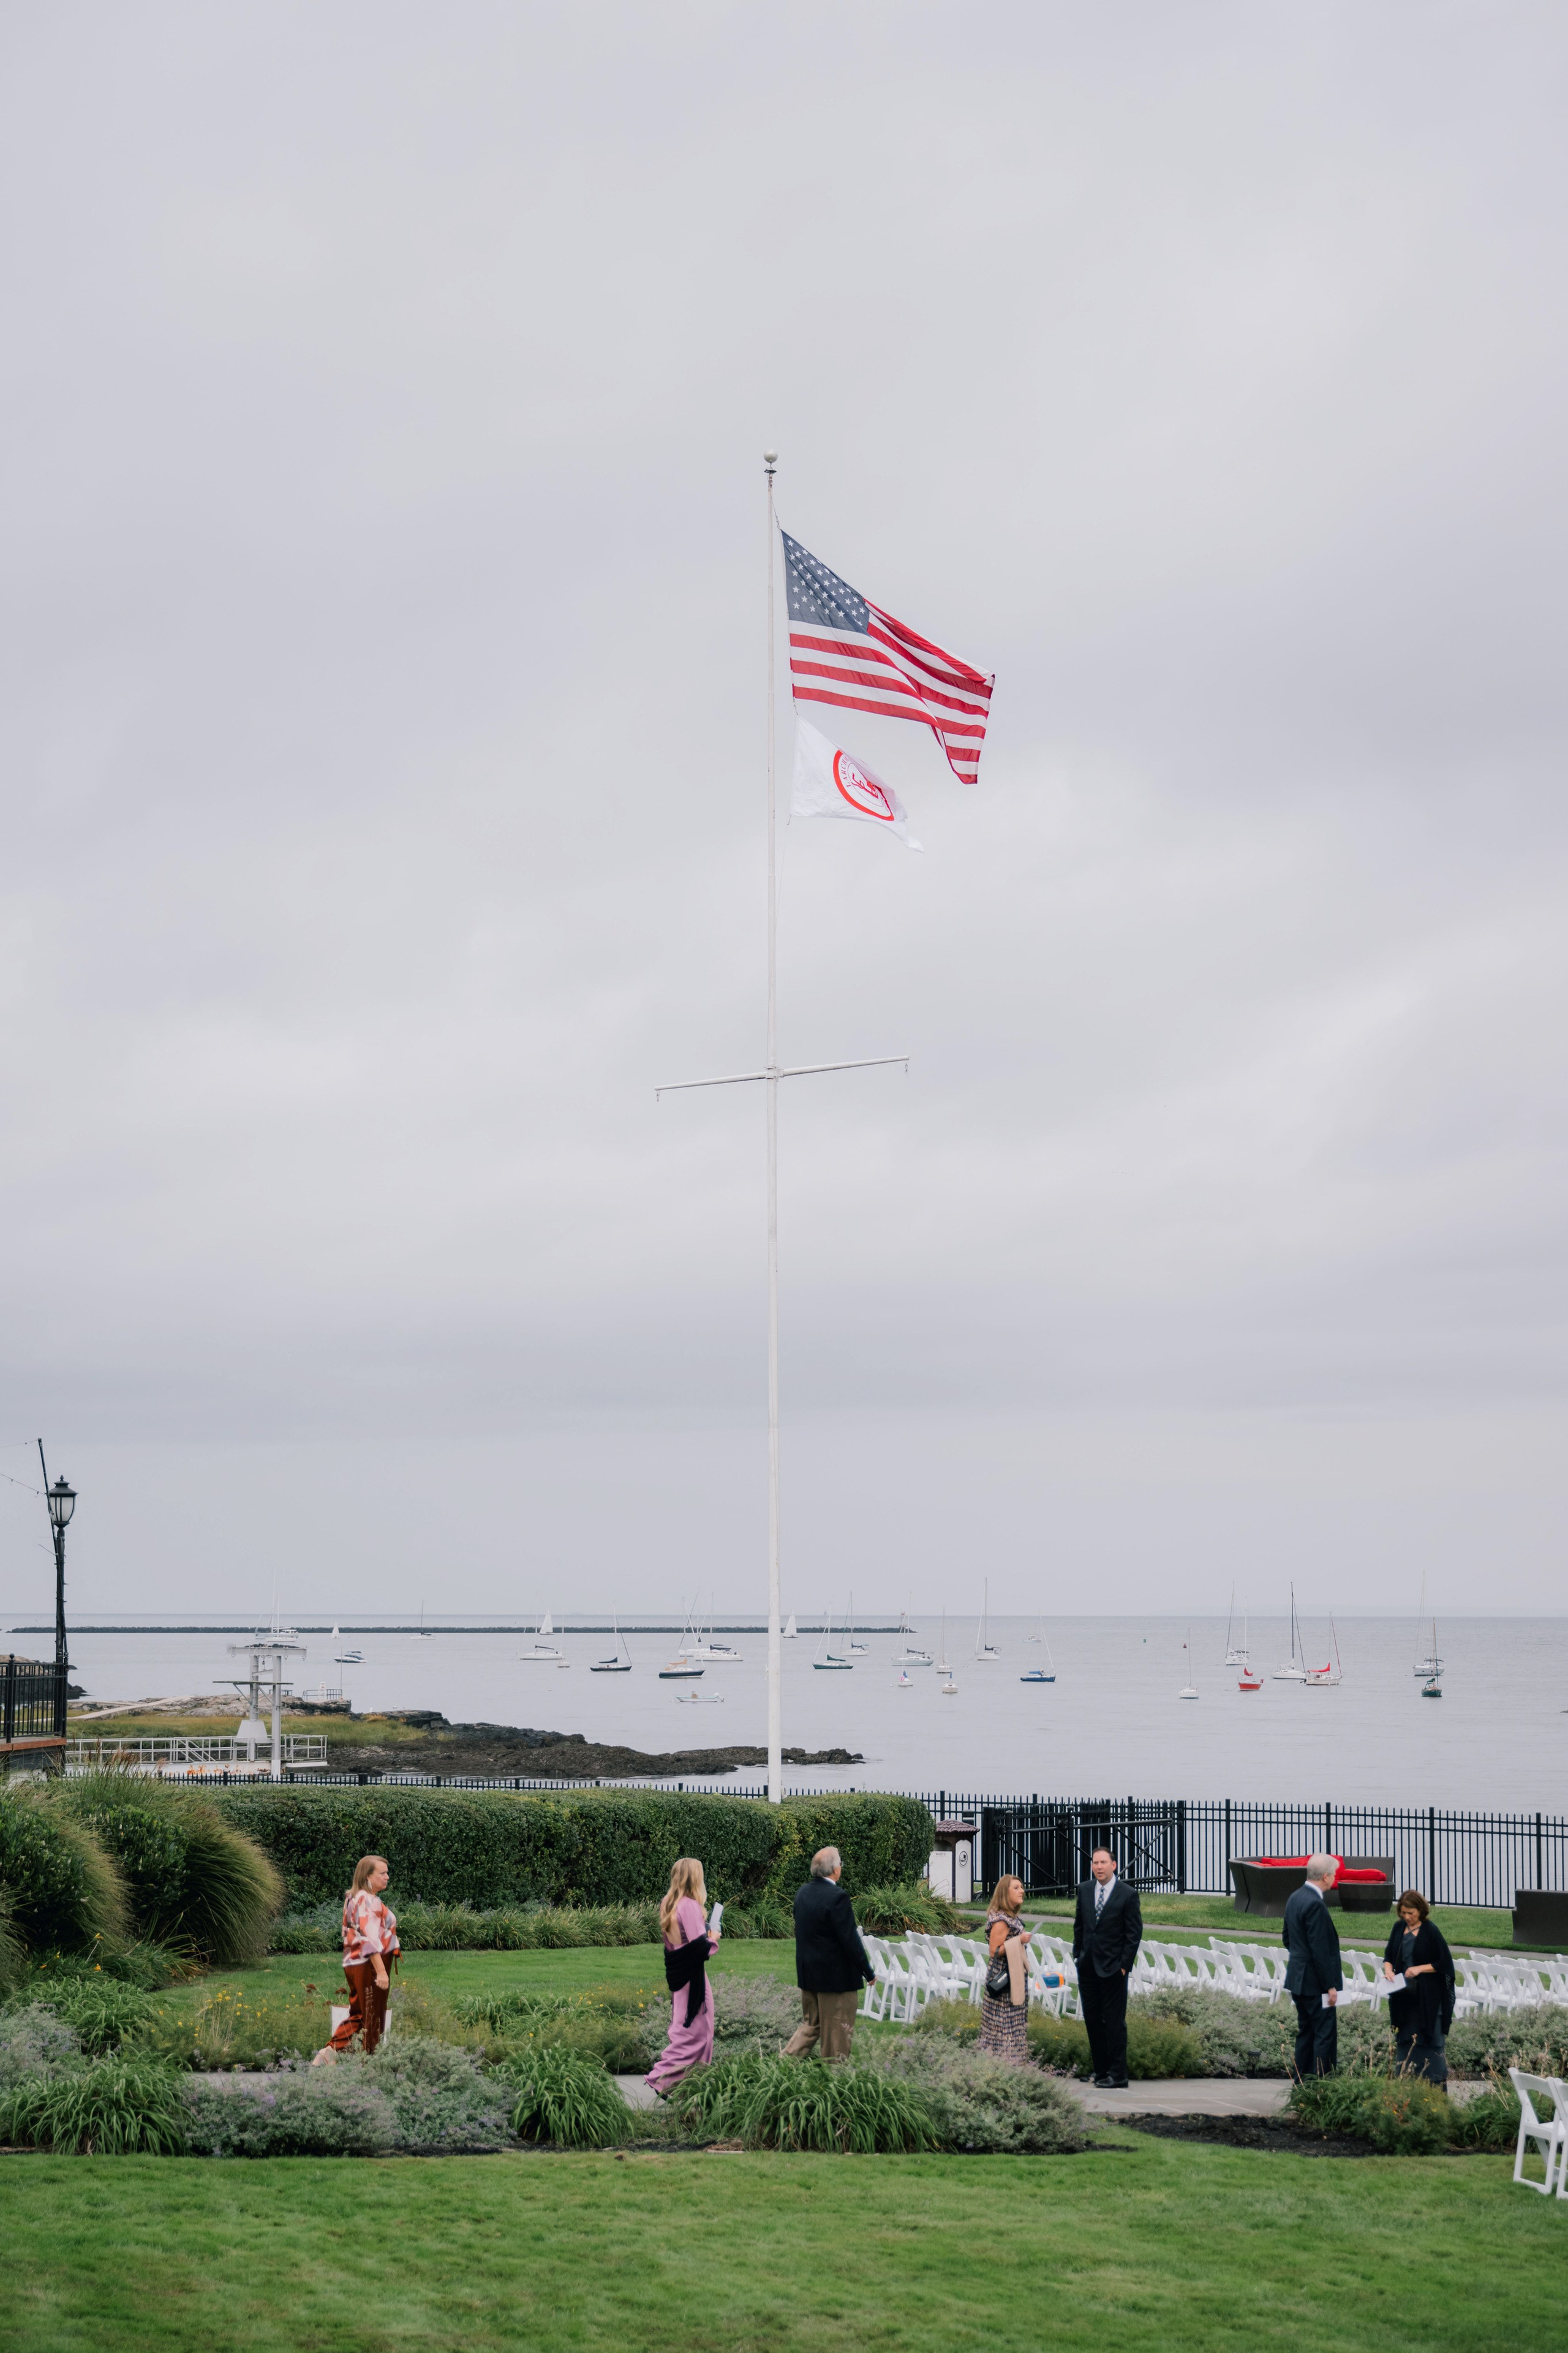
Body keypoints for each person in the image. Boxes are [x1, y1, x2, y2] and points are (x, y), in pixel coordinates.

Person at [783, 1846, 876, 2061]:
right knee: (837, 2037)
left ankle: (781, 2066)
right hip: (835, 1980)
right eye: (840, 1864)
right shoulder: (838, 1897)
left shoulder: (802, 1893)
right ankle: (833, 2084)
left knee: (811, 2026)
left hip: (809, 1975)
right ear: (835, 1870)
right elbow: (850, 1941)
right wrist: (868, 1972)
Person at [646, 1856, 722, 2095]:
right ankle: (664, 2080)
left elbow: (674, 1943)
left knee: (683, 2028)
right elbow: (700, 1947)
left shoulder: (668, 1902)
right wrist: (713, 1938)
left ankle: (684, 2088)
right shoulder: (689, 1905)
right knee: (700, 2032)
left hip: (678, 1975)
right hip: (692, 1976)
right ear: (695, 1878)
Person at [315, 1853, 399, 2061]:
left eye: (387, 1872)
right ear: (368, 1877)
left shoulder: (354, 1898)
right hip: (370, 1964)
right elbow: (369, 1939)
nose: (387, 1876)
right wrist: (381, 1972)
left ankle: (330, 2053)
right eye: (383, 1873)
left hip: (355, 1962)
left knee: (360, 2015)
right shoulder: (368, 1900)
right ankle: (370, 2065)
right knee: (373, 2018)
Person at [1072, 1846, 1142, 2087]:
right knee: (1092, 2020)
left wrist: (1124, 1966)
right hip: (1088, 1966)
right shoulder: (1084, 1889)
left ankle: (1118, 2074)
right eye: (1095, 1863)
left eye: (1103, 1863)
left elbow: (1134, 1934)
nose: (1098, 1867)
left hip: (1113, 1969)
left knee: (1114, 2022)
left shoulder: (1127, 1894)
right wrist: (1078, 1956)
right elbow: (1079, 1926)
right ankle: (1101, 2071)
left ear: (1114, 1865)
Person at [1382, 1889, 1455, 2083]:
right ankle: (1405, 2081)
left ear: (1420, 1911)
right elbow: (1388, 1956)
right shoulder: (1398, 1928)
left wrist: (1419, 1969)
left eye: (1411, 1913)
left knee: (1428, 2040)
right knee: (1406, 2040)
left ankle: (1434, 2082)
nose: (1407, 1917)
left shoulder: (1430, 1931)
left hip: (1428, 1997)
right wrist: (1389, 1970)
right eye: (1403, 1913)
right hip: (1404, 1996)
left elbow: (1444, 1964)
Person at [1282, 1853, 1343, 2076]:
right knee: (1324, 2036)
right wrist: (1330, 1986)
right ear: (1326, 1877)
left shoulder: (1295, 1897)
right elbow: (1320, 1951)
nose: (1334, 1878)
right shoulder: (1315, 1904)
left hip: (1298, 1980)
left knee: (1305, 2034)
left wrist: (1301, 1961)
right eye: (1334, 1875)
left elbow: (1288, 1939)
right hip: (1316, 1985)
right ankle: (1321, 2087)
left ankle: (1301, 2086)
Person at [977, 1875, 1030, 2059]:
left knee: (1012, 2019)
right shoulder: (1001, 1920)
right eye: (1016, 1888)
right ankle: (1002, 2061)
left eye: (1021, 1887)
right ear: (1004, 1893)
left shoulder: (1010, 1916)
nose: (1021, 1891)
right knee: (1003, 2021)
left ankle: (1013, 2060)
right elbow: (994, 1950)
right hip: (1004, 1978)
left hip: (1013, 1974)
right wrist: (1019, 1940)